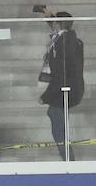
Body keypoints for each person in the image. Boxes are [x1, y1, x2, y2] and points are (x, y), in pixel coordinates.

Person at [39, 9, 84, 159]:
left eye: (54, 21)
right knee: (57, 121)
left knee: (57, 122)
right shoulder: (67, 39)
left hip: (64, 89)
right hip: (67, 87)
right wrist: (49, 15)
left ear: (58, 24)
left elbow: (60, 73)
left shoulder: (62, 43)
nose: (52, 24)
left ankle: (69, 161)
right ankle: (68, 159)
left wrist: (45, 96)